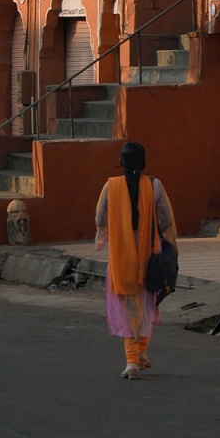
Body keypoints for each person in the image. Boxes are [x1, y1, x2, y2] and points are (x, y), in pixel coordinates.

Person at [95, 141, 177, 379]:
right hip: (149, 257)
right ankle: (141, 351)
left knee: (127, 309)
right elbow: (166, 220)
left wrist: (104, 237)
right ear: (143, 162)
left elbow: (100, 218)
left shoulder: (110, 186)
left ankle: (132, 361)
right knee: (146, 305)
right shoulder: (154, 185)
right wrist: (170, 245)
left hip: (120, 258)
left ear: (121, 161)